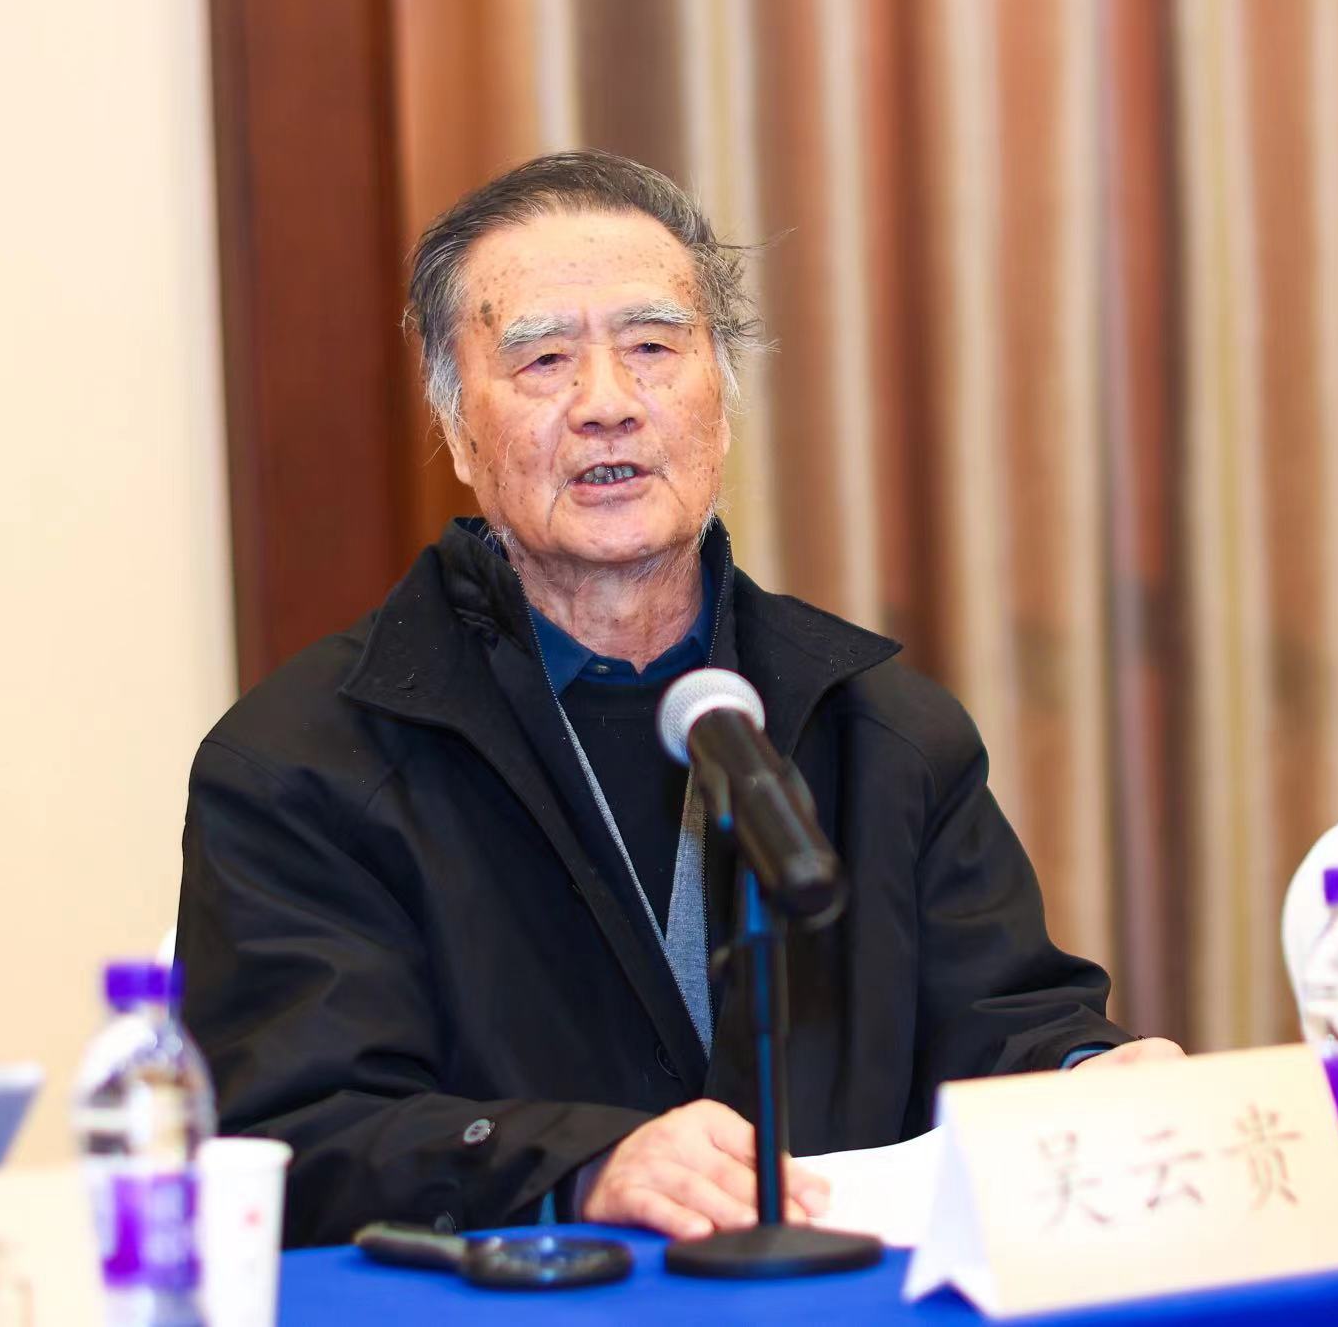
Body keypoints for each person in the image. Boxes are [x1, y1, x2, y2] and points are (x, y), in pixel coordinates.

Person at [177, 150, 1182, 1249]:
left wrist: (1088, 1072)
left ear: (723, 403)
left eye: (653, 348)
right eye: (543, 360)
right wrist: (579, 1163)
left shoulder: (882, 726)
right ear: (458, 433)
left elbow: (1000, 1018)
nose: (608, 405)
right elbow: (293, 1128)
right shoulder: (304, 761)